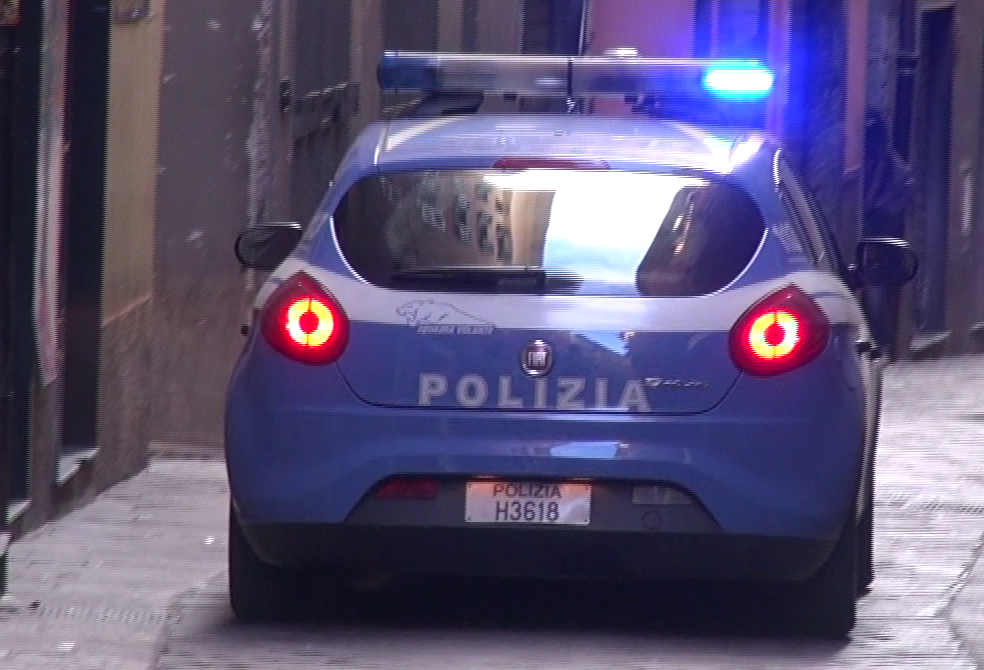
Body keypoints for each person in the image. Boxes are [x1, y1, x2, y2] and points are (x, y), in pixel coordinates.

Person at [862, 108, 916, 359]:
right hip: (884, 231)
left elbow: (872, 195)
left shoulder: (879, 160)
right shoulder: (890, 159)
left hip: (875, 230)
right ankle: (879, 342)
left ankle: (879, 341)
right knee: (876, 286)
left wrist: (866, 211)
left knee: (874, 286)